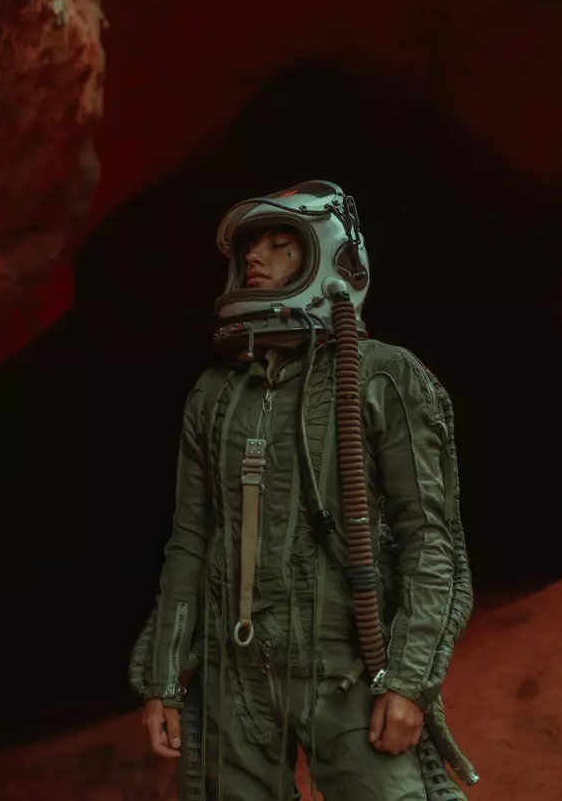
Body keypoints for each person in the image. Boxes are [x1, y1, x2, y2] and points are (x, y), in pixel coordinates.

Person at [128, 181, 478, 801]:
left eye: (281, 245)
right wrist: (165, 678)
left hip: (347, 674)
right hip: (230, 682)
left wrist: (409, 680)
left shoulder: (384, 377)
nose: (255, 259)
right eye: (251, 248)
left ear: (328, 260)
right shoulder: (215, 394)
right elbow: (189, 541)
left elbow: (431, 542)